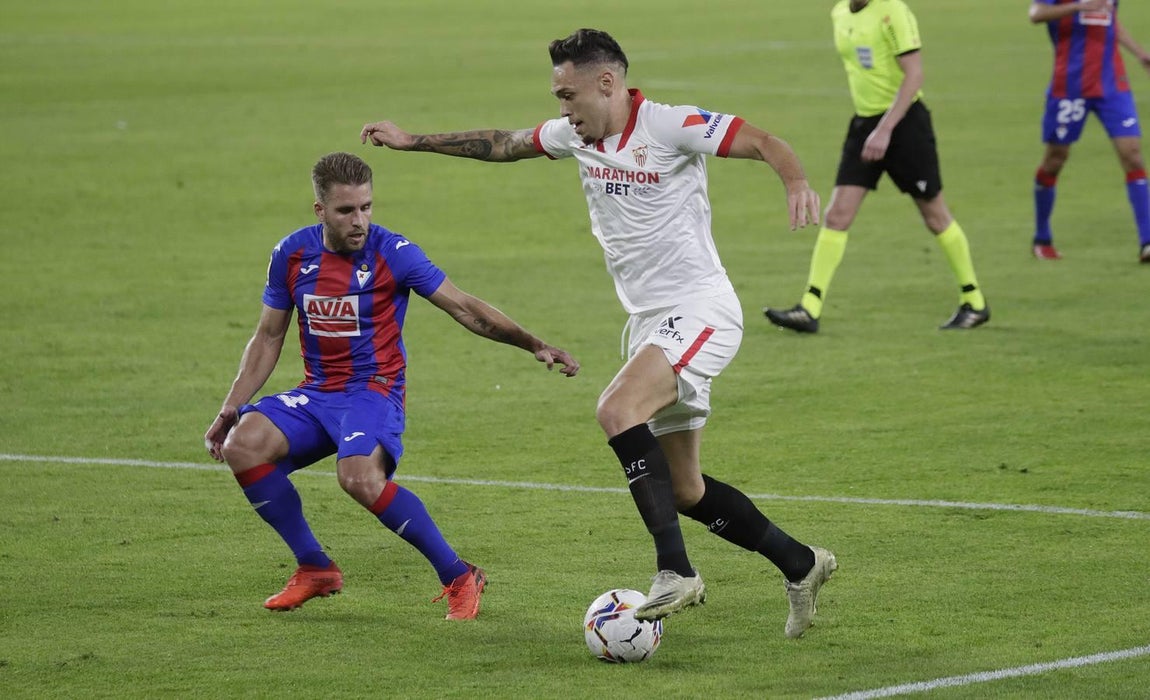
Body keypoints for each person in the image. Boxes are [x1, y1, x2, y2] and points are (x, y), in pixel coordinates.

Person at [361, 28, 836, 638]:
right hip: (650, 324)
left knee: (615, 409)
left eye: (568, 95)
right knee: (686, 490)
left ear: (606, 83)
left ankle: (675, 572)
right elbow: (504, 144)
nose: (562, 110)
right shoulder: (574, 137)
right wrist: (414, 141)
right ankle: (801, 564)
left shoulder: (670, 125)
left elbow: (765, 141)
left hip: (700, 310)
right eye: (557, 98)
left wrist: (795, 181)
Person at [204, 152, 579, 619]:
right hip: (319, 391)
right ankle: (315, 568)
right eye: (346, 211)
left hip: (373, 390)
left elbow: (464, 307)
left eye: (366, 207)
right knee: (244, 444)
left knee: (358, 477)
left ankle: (459, 574)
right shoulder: (292, 254)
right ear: (320, 211)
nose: (359, 220)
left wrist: (533, 343)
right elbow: (268, 337)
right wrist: (231, 408)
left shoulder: (393, 253)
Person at [764, 0, 990, 333]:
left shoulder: (892, 10)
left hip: (905, 126)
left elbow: (914, 75)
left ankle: (974, 301)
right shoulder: (840, 13)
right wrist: (872, 128)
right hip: (864, 126)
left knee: (935, 215)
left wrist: (885, 129)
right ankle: (809, 308)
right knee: (837, 215)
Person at [1029, 0, 1150, 262]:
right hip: (1069, 86)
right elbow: (1036, 14)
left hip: (1112, 86)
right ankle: (1042, 238)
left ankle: (1147, 241)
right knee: (1054, 160)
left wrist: (1139, 52)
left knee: (1132, 155)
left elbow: (1110, 19)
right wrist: (1079, 6)